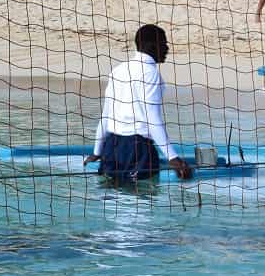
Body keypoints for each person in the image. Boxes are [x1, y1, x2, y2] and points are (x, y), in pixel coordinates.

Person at [83, 24, 193, 184]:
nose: (167, 48)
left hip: (111, 148)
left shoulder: (118, 70)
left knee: (113, 198)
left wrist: (97, 151)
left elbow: (105, 116)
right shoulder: (151, 74)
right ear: (153, 45)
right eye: (164, 44)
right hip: (137, 150)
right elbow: (152, 119)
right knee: (140, 200)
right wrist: (172, 157)